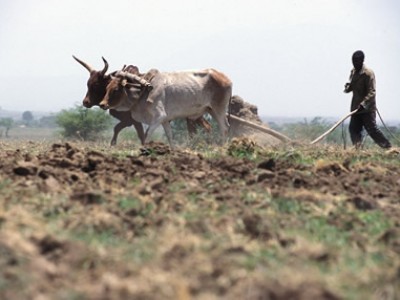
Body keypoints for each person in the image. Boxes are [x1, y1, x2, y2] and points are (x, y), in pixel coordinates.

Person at [344, 50, 391, 149]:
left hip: (367, 109)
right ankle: (358, 149)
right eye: (353, 61)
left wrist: (363, 104)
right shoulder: (353, 72)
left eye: (357, 61)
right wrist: (348, 87)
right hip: (356, 108)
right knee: (353, 129)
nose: (355, 63)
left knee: (372, 130)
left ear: (362, 60)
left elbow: (372, 92)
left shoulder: (368, 73)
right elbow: (351, 87)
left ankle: (388, 148)